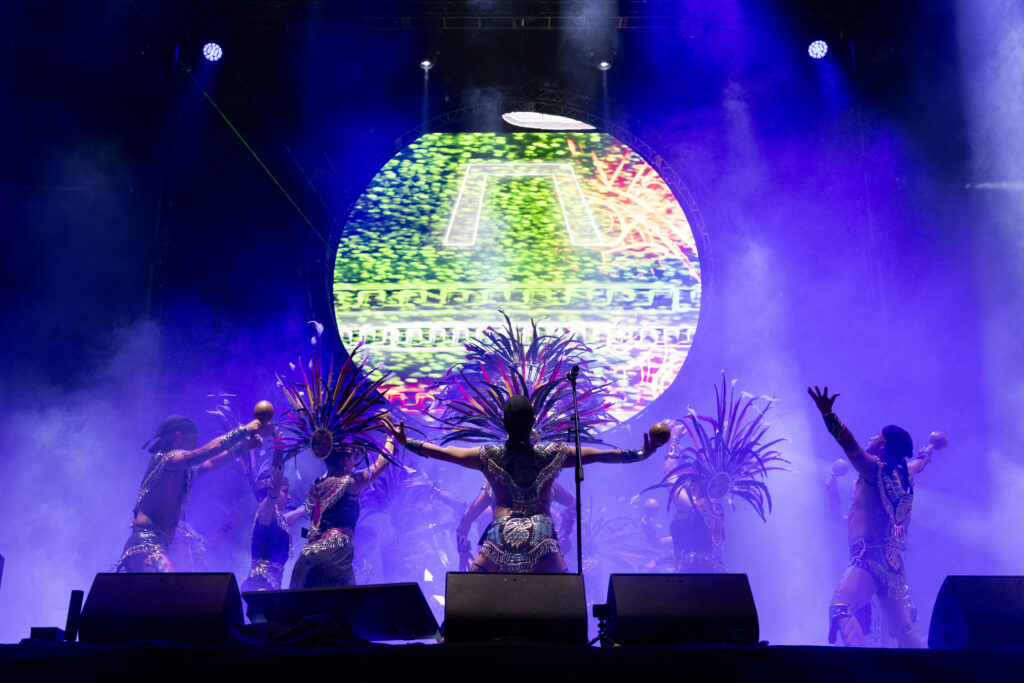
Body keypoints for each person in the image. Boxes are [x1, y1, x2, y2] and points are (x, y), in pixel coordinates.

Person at [382, 395, 663, 574]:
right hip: (541, 533)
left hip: (500, 535)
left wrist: (407, 442)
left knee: (471, 602)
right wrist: (641, 454)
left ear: (503, 422)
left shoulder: (487, 455)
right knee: (562, 602)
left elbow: (445, 452)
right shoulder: (555, 452)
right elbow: (602, 455)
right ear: (533, 422)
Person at [808, 385, 924, 648]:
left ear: (882, 444)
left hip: (868, 558)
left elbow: (849, 444)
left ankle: (858, 674)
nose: (870, 438)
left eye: (875, 436)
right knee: (902, 632)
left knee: (841, 608)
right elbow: (915, 465)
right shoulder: (902, 477)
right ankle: (934, 675)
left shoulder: (875, 470)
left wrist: (828, 414)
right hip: (894, 566)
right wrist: (927, 455)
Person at [113, 414, 267, 573]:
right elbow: (205, 452)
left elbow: (210, 464)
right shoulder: (165, 459)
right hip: (146, 542)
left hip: (161, 544)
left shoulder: (183, 470)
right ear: (178, 437)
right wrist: (243, 430)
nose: (195, 445)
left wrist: (243, 447)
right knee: (165, 591)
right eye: (193, 440)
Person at [289, 435, 396, 588]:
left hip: (305, 561)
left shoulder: (315, 487)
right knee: (339, 609)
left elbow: (332, 468)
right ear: (345, 461)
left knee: (304, 610)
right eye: (353, 459)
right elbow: (382, 463)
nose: (354, 464)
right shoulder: (349, 483)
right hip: (334, 558)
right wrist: (391, 439)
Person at [456, 478, 576, 572]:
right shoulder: (548, 485)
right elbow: (467, 518)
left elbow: (467, 518)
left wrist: (463, 550)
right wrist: (567, 523)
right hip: (519, 557)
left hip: (509, 556)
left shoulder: (548, 485)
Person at [240, 444, 305, 591]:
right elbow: (274, 489)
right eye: (285, 491)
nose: (289, 497)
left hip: (270, 586)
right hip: (259, 584)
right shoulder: (265, 509)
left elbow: (300, 511)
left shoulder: (278, 519)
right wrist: (279, 458)